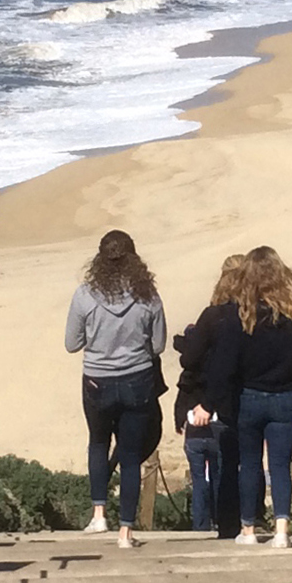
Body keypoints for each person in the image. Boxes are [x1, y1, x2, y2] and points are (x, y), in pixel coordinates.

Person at [192, 245, 292, 548]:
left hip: (249, 399)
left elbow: (223, 365)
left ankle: (248, 530)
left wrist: (209, 402)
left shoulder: (240, 314)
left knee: (250, 463)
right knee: (281, 464)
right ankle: (282, 529)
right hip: (288, 398)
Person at [64, 230, 166, 549]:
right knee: (131, 455)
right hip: (137, 379)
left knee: (98, 443)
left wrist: (98, 340)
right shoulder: (148, 296)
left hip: (97, 379)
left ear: (99, 260)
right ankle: (126, 532)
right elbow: (159, 345)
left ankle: (98, 515)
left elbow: (71, 344)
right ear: (134, 259)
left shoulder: (84, 295)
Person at [173, 255, 245, 535]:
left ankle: (225, 525)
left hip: (213, 403)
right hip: (247, 394)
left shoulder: (213, 315)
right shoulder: (260, 313)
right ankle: (252, 519)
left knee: (224, 467)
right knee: (244, 461)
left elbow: (189, 361)